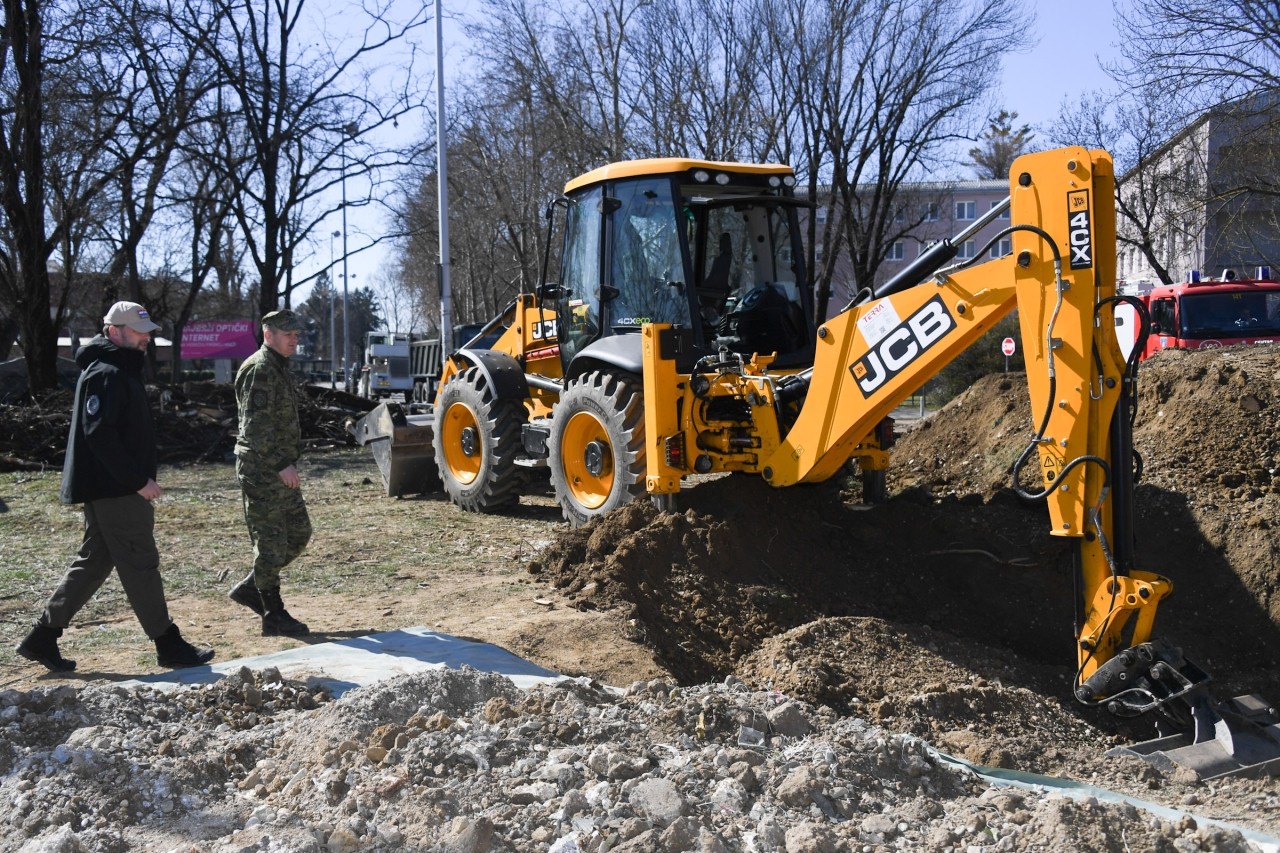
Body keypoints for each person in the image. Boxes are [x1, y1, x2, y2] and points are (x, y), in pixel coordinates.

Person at [15, 302, 216, 671]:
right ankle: (168, 644)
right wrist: (137, 481)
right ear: (114, 331)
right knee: (141, 562)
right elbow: (100, 434)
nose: (147, 337)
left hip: (110, 488)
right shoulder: (108, 373)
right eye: (139, 331)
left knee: (93, 563)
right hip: (117, 491)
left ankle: (43, 637)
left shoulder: (116, 369)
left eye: (148, 331)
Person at [228, 309, 312, 636]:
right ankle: (272, 613)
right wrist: (281, 464)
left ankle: (254, 586)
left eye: (296, 334)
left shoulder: (276, 367)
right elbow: (254, 428)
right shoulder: (260, 370)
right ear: (268, 335)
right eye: (288, 334)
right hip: (263, 470)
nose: (295, 339)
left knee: (298, 533)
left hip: (276, 469)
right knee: (271, 542)